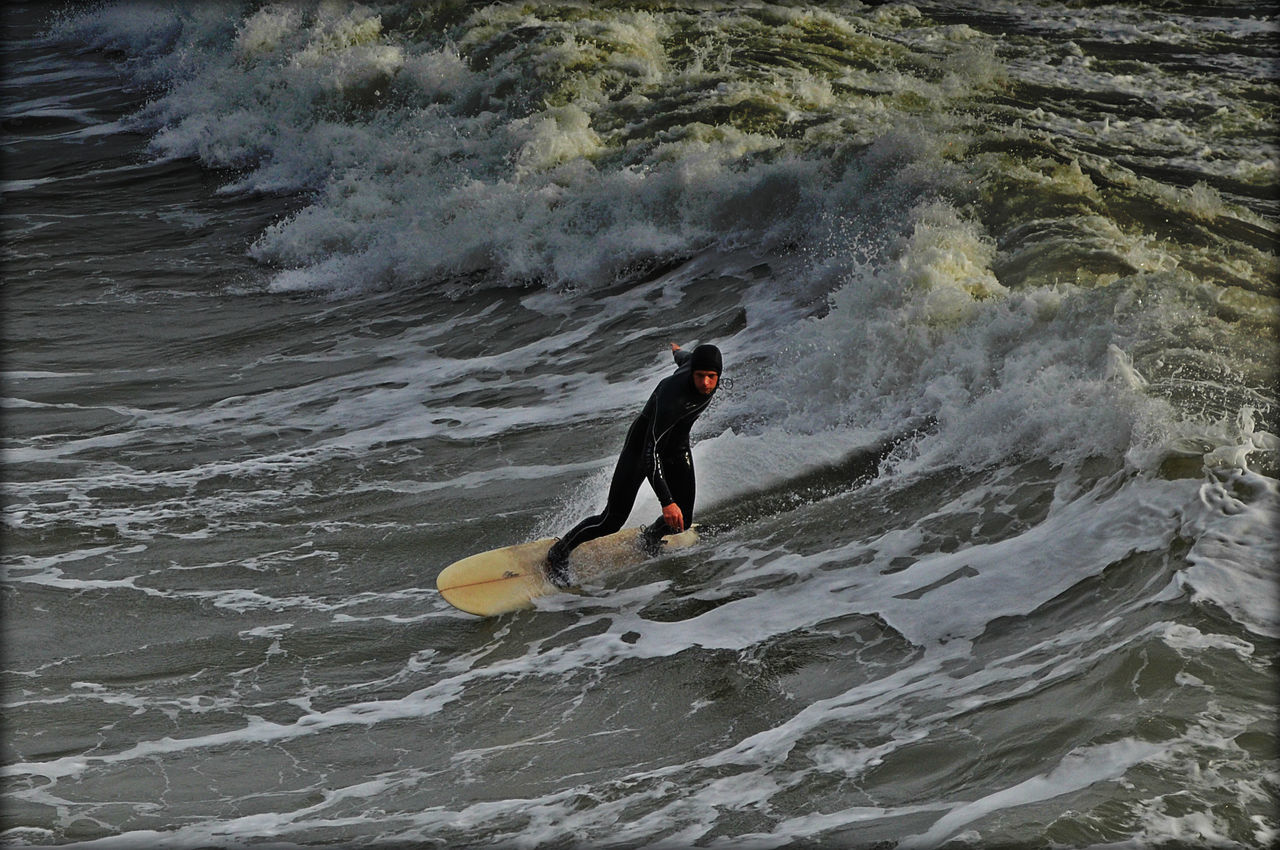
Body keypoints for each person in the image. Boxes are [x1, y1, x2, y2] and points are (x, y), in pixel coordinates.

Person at [545, 341, 723, 587]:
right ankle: (558, 553)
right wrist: (666, 502)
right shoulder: (673, 396)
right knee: (612, 519)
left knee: (683, 518)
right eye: (700, 376)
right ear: (693, 373)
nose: (705, 383)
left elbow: (684, 358)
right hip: (641, 450)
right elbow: (650, 452)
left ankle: (649, 537)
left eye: (711, 377)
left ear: (718, 374)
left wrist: (676, 351)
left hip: (677, 449)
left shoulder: (696, 368)